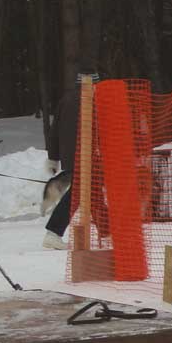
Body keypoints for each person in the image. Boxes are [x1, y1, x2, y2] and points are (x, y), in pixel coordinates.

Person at [42, 84, 108, 249]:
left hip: (71, 154)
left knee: (92, 193)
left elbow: (55, 129)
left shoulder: (66, 99)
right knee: (80, 193)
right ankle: (53, 233)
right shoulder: (93, 99)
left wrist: (53, 157)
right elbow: (101, 129)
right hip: (88, 153)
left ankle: (107, 233)